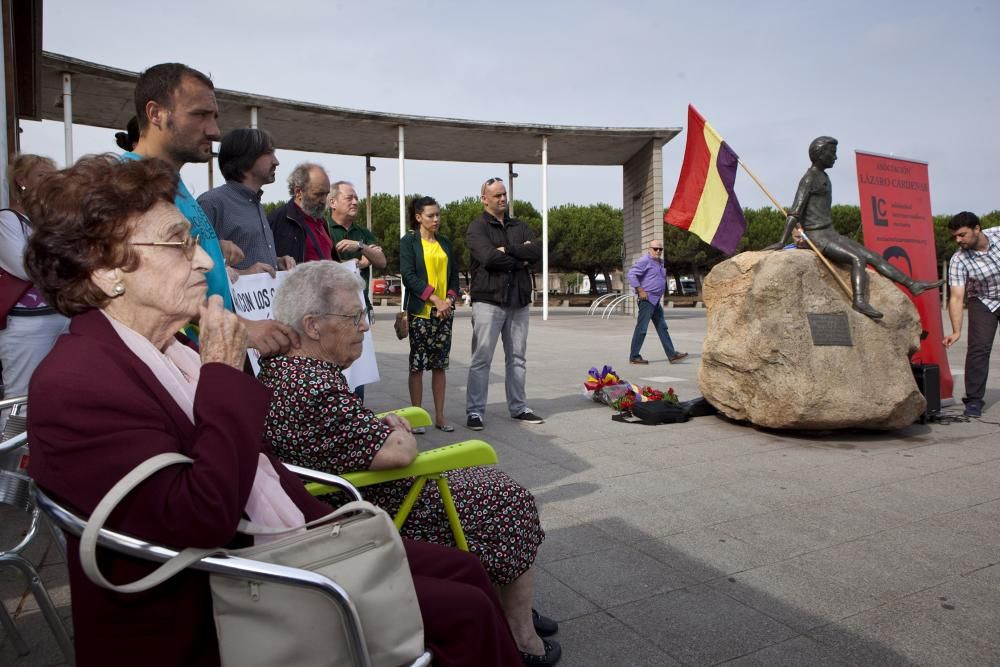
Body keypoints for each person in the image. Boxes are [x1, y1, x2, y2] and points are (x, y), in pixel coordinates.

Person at [23, 155, 523, 666]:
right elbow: (201, 519)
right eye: (180, 243)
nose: (203, 262)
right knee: (467, 612)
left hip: (262, 546)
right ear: (105, 270)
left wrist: (332, 524)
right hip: (221, 597)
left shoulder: (168, 349)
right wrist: (222, 369)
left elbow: (250, 458)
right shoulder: (77, 383)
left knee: (465, 571)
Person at [259, 260, 561, 666]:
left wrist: (376, 425)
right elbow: (400, 453)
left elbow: (338, 433)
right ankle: (521, 634)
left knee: (482, 483)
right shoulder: (313, 386)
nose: (365, 327)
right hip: (368, 509)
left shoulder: (287, 371)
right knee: (507, 497)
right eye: (356, 317)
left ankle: (509, 602)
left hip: (345, 493)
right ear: (313, 325)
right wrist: (398, 434)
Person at [127, 62, 297, 356]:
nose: (215, 131)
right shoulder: (127, 185)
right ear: (156, 114)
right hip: (170, 358)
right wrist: (243, 326)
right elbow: (151, 288)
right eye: (199, 115)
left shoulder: (175, 186)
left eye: (215, 117)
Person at [772, 136, 943, 319]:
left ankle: (911, 284)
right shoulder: (809, 179)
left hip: (830, 232)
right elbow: (794, 213)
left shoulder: (824, 176)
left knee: (873, 256)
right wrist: (782, 241)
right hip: (817, 237)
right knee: (857, 259)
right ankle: (859, 301)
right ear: (820, 155)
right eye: (832, 154)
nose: (835, 158)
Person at [465, 176, 545, 431]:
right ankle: (475, 412)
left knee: (517, 358)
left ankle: (519, 407)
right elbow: (488, 258)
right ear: (484, 199)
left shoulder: (520, 225)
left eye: (504, 194)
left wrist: (507, 250)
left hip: (518, 301)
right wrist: (519, 255)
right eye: (496, 195)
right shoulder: (477, 228)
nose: (502, 199)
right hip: (488, 301)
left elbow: (537, 252)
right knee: (481, 359)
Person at [0, 155, 68, 410]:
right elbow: (26, 267)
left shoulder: (51, 222)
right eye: (42, 175)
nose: (51, 180)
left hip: (60, 317)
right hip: (26, 326)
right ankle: (15, 450)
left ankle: (38, 449)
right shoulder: (7, 220)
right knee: (21, 398)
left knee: (55, 394)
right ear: (22, 180)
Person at [197, 128, 296, 275]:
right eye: (268, 153)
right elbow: (193, 264)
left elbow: (249, 257)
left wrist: (276, 262)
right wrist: (245, 274)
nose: (276, 162)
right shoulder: (211, 203)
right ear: (245, 159)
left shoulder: (255, 204)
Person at [399, 196, 460, 432]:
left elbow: (454, 275)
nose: (436, 219)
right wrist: (434, 298)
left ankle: (441, 416)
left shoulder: (444, 242)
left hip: (444, 314)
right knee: (417, 365)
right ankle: (416, 416)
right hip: (421, 314)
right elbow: (408, 275)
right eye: (431, 215)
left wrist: (450, 300)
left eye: (438, 215)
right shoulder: (409, 242)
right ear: (418, 217)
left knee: (439, 365)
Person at [943, 212, 1000, 418]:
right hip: (984, 300)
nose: (958, 240)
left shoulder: (998, 235)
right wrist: (956, 330)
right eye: (955, 236)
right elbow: (957, 297)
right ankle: (974, 401)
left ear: (977, 229)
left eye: (962, 235)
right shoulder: (959, 259)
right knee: (979, 348)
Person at [627, 240, 688, 365]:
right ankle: (634, 356)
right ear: (649, 249)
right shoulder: (645, 260)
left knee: (662, 327)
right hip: (647, 300)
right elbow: (631, 274)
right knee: (642, 328)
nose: (658, 251)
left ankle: (672, 355)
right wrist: (640, 290)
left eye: (660, 249)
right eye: (655, 249)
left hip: (655, 301)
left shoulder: (660, 262)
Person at [326, 180, 386, 301]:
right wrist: (357, 263)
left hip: (362, 306)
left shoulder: (363, 233)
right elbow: (321, 265)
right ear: (333, 203)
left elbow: (381, 262)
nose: (355, 202)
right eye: (349, 198)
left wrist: (360, 246)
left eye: (356, 198)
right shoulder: (322, 228)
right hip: (332, 308)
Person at [268, 162, 337, 264]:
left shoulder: (322, 222)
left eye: (326, 194)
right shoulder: (279, 221)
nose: (323, 200)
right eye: (318, 194)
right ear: (298, 192)